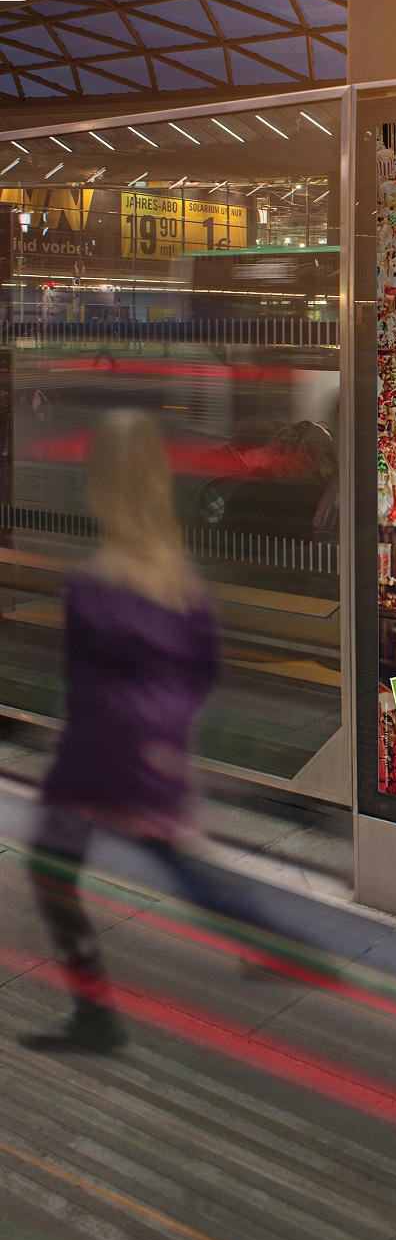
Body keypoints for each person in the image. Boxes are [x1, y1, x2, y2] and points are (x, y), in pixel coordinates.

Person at [22, 412, 293, 1056]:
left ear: (100, 483)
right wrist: (165, 733)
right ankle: (266, 938)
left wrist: (75, 749)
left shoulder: (93, 583)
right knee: (174, 856)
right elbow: (204, 670)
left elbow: (81, 680)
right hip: (156, 747)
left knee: (51, 869)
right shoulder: (179, 581)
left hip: (100, 748)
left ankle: (95, 1016)